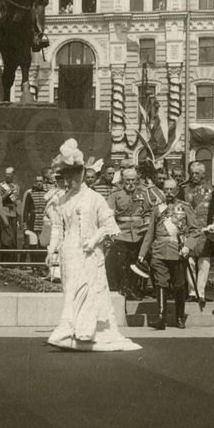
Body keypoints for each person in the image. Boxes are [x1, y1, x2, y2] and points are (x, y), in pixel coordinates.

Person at [44, 139, 141, 352]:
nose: (72, 180)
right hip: (69, 252)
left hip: (88, 253)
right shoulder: (63, 200)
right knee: (70, 289)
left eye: (75, 175)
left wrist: (94, 240)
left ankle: (76, 329)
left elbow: (109, 225)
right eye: (68, 176)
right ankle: (74, 330)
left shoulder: (95, 198)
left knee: (85, 290)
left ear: (83, 174)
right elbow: (58, 227)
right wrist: (52, 249)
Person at [138, 178, 200, 330]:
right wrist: (142, 253)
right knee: (160, 283)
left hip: (178, 251)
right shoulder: (157, 208)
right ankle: (160, 318)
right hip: (159, 251)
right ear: (163, 191)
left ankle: (179, 317)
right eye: (166, 190)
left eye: (172, 190)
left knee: (179, 285)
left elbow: (195, 231)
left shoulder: (185, 207)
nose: (169, 193)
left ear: (177, 190)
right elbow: (150, 233)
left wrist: (188, 246)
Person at [179, 161, 214, 310]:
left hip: (206, 233)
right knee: (190, 262)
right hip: (189, 232)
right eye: (192, 173)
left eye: (197, 173)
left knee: (204, 264)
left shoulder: (212, 190)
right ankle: (192, 292)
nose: (194, 176)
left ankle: (201, 292)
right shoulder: (183, 190)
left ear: (203, 174)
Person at [107, 167, 152, 298]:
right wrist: (112, 233)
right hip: (122, 234)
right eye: (128, 180)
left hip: (139, 234)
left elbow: (149, 212)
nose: (130, 183)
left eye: (133, 180)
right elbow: (109, 215)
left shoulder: (143, 193)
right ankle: (124, 288)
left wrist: (146, 227)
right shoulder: (115, 194)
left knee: (137, 263)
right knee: (122, 263)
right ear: (123, 180)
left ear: (137, 180)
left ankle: (135, 288)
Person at [22, 174, 48, 262]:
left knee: (43, 244)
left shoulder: (47, 193)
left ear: (43, 182)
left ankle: (42, 265)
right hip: (33, 221)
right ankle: (34, 265)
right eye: (37, 181)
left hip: (44, 222)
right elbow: (26, 210)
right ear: (35, 182)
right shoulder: (30, 193)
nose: (39, 183)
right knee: (33, 243)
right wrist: (25, 225)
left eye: (41, 181)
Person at [0, 167, 21, 255]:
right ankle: (3, 260)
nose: (8, 176)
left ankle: (12, 260)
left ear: (13, 175)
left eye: (10, 174)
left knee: (13, 236)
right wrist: (7, 194)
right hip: (5, 212)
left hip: (13, 213)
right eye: (6, 174)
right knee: (5, 236)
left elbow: (17, 201)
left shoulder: (16, 186)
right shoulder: (0, 186)